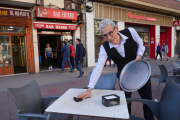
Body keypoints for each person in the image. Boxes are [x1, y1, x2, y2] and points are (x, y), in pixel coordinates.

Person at [77, 19, 154, 120]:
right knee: (125, 101)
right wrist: (89, 89)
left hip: (141, 71)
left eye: (110, 33)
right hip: (124, 76)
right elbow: (98, 68)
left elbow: (140, 44)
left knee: (147, 99)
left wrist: (139, 54)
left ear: (116, 28)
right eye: (105, 35)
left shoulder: (130, 31)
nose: (109, 38)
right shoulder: (104, 48)